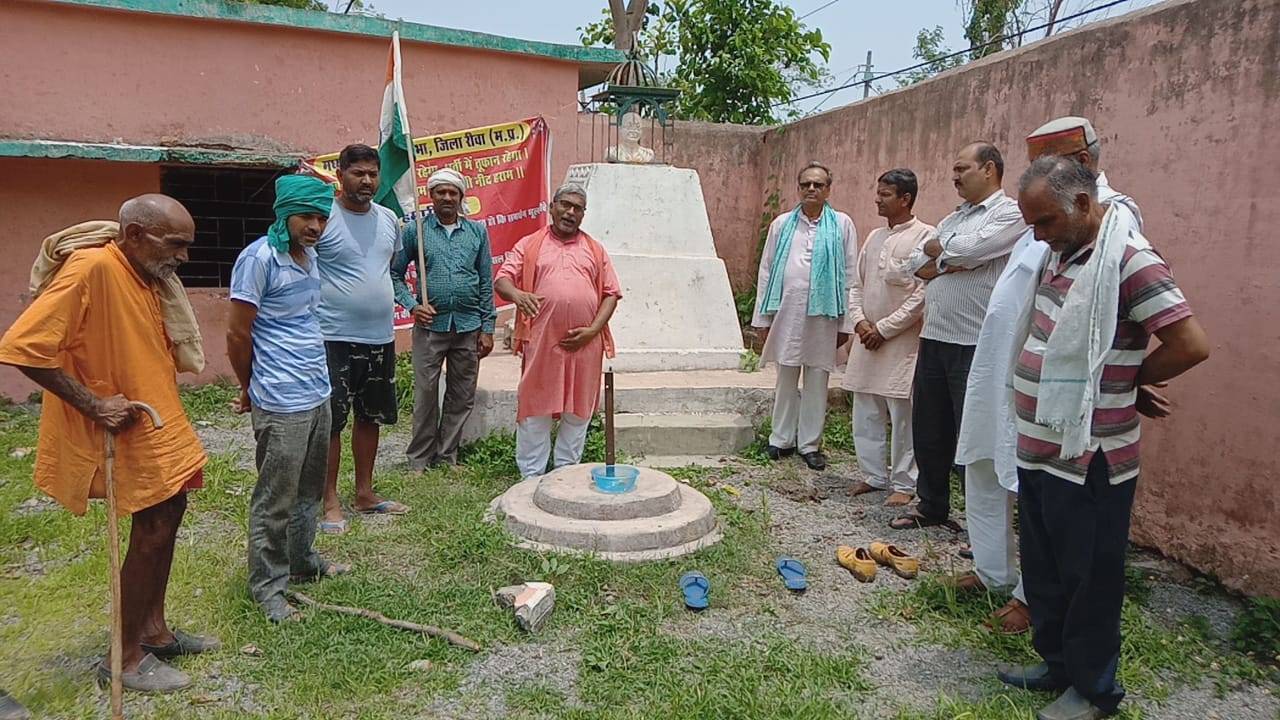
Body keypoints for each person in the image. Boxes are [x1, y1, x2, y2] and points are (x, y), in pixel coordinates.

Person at [997, 157, 1209, 720]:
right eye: (1032, 224)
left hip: (1092, 457)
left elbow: (1190, 343)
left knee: (1089, 576)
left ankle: (1094, 691)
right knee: (1044, 567)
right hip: (1040, 446)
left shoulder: (1130, 260)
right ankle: (1058, 665)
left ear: (1083, 205)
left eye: (1044, 222)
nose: (1037, 235)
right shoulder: (1060, 253)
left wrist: (1124, 379)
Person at [0, 195, 217, 692]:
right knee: (154, 524)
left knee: (171, 510)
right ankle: (124, 658)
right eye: (176, 245)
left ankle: (154, 630)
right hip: (124, 422)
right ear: (136, 235)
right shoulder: (92, 267)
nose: (183, 258)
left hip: (157, 415)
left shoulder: (143, 273)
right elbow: (22, 348)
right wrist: (93, 405)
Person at [954, 117, 1146, 634]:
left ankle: (1032, 596)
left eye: (1051, 159)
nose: (1037, 170)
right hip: (1005, 365)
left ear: (1082, 162)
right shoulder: (1041, 213)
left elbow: (1110, 310)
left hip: (1060, 389)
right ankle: (992, 570)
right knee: (985, 462)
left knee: (1041, 496)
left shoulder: (1112, 217)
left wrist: (1130, 377)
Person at [227, 175, 351, 623]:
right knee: (275, 497)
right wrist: (247, 386)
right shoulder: (259, 259)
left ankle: (301, 561)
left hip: (317, 390)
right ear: (284, 214)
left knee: (310, 489)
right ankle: (267, 587)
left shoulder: (308, 257)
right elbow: (238, 332)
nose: (315, 225)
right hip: (279, 398)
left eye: (321, 217)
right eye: (306, 216)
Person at [891, 143, 1026, 529]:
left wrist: (946, 255)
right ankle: (931, 506)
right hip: (935, 336)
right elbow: (918, 264)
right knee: (930, 428)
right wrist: (952, 258)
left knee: (977, 436)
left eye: (961, 168)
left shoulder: (1010, 213)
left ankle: (983, 527)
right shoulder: (954, 217)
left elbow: (974, 249)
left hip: (977, 343)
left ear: (989, 169)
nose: (954, 177)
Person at [495, 183, 621, 479]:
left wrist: (592, 331)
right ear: (552, 207)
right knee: (536, 406)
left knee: (578, 410)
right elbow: (502, 279)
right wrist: (518, 295)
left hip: (586, 344)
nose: (570, 212)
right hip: (542, 342)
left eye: (578, 208)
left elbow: (611, 293)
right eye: (565, 205)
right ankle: (532, 476)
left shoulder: (595, 249)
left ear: (583, 215)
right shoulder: (530, 244)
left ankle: (566, 475)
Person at [316, 144, 406, 535]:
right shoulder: (323, 218)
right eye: (359, 173)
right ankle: (329, 500)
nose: (367, 181)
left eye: (373, 174)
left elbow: (387, 268)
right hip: (331, 336)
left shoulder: (388, 219)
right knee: (332, 421)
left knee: (371, 416)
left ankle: (365, 493)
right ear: (340, 173)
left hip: (379, 337)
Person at [752, 162, 857, 471]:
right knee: (785, 374)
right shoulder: (782, 224)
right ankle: (780, 439)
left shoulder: (842, 224)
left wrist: (847, 322)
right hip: (786, 310)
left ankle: (809, 444)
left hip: (824, 314)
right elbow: (766, 269)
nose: (812, 189)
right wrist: (762, 318)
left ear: (828, 189)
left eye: (818, 185)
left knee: (818, 376)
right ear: (798, 188)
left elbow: (850, 272)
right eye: (806, 184)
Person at [392, 168, 496, 472]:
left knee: (462, 395)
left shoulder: (477, 232)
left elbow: (485, 280)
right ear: (431, 196)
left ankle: (447, 455)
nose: (447, 197)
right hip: (429, 328)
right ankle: (419, 459)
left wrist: (487, 328)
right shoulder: (417, 232)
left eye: (453, 192)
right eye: (441, 192)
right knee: (426, 395)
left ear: (461, 197)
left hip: (468, 327)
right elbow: (395, 274)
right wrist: (412, 306)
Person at [844, 169, 931, 505]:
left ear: (905, 198)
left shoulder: (926, 237)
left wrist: (884, 328)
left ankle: (905, 485)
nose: (877, 199)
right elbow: (858, 285)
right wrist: (861, 323)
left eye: (885, 194)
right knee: (865, 409)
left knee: (902, 415)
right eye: (878, 193)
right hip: (867, 338)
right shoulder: (875, 237)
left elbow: (921, 295)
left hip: (901, 343)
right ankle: (874, 476)